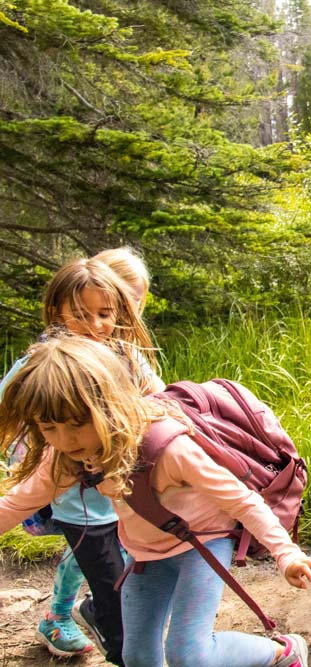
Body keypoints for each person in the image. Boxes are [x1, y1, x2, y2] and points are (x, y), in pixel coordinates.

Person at [0, 336, 311, 667]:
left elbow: (243, 501)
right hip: (146, 554)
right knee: (138, 656)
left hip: (202, 544)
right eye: (48, 427)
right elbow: (16, 505)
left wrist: (287, 555)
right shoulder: (69, 457)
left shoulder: (167, 448)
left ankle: (281, 652)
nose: (64, 439)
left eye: (77, 423)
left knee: (188, 655)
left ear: (110, 405)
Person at [1, 256, 164, 663]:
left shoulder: (125, 355)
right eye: (80, 314)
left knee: (136, 584)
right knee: (114, 598)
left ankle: (106, 625)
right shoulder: (42, 363)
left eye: (104, 314)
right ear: (57, 311)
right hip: (80, 506)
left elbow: (162, 399)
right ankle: (120, 646)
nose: (94, 325)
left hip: (130, 498)